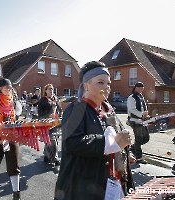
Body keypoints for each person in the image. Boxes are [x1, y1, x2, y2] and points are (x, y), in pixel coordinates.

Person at [54, 61, 134, 200]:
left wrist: (126, 152)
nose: (107, 87)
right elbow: (71, 143)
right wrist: (110, 144)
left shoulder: (108, 109)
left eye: (108, 83)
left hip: (110, 183)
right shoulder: (77, 108)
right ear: (86, 85)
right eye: (100, 83)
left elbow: (117, 138)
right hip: (84, 187)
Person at [38, 83, 62, 166]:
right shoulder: (43, 100)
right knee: (52, 140)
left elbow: (60, 109)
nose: (51, 90)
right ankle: (54, 158)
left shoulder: (56, 99)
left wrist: (60, 115)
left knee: (52, 140)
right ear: (45, 90)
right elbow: (40, 113)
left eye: (52, 89)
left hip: (56, 123)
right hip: (46, 123)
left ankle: (47, 156)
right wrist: (48, 115)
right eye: (49, 89)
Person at [127, 82, 150, 164]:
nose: (142, 90)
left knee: (146, 138)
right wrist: (141, 114)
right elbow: (131, 109)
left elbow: (143, 106)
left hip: (142, 121)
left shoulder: (141, 97)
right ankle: (139, 157)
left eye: (143, 88)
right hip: (135, 121)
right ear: (136, 88)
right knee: (139, 138)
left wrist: (146, 113)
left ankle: (132, 149)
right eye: (141, 88)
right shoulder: (131, 97)